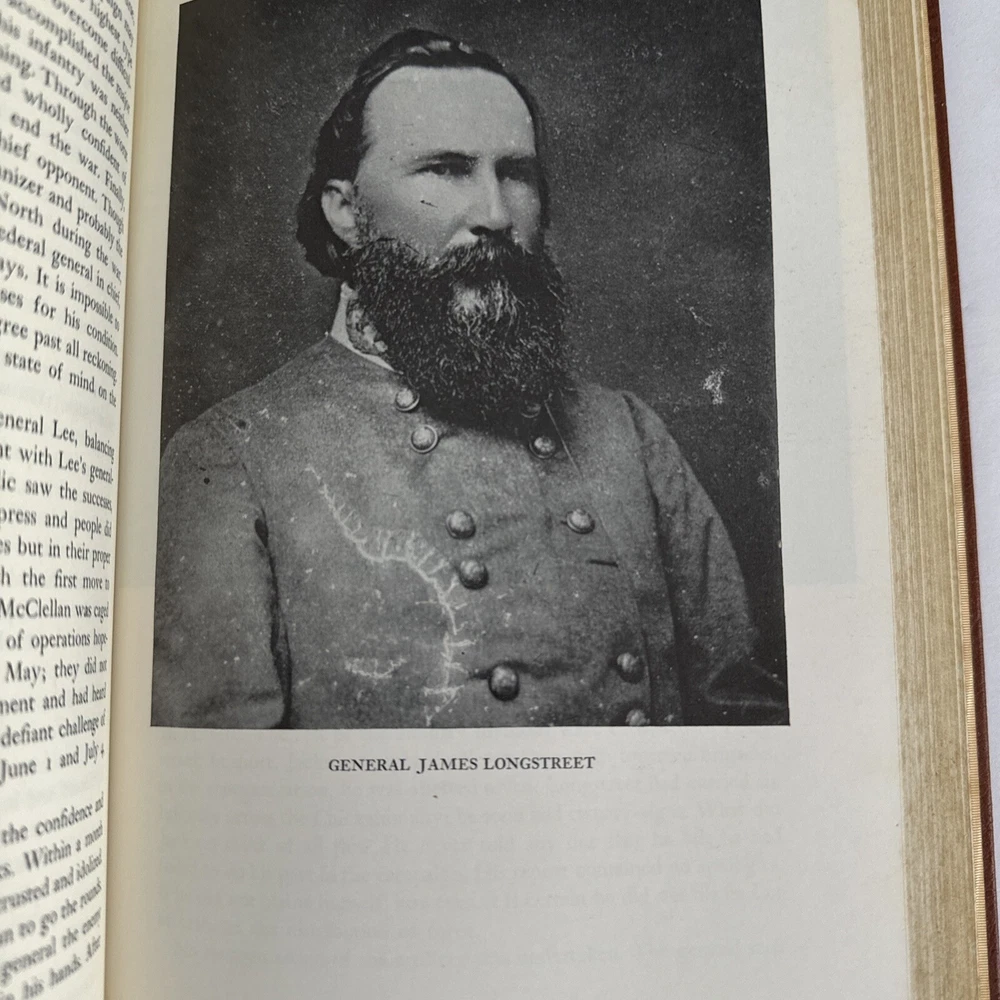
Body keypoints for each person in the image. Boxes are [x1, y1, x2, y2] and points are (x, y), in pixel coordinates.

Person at [151, 29, 787, 729]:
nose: (494, 214)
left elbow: (743, 726)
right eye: (445, 170)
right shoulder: (233, 458)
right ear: (345, 210)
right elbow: (230, 781)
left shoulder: (627, 436)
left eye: (516, 173)